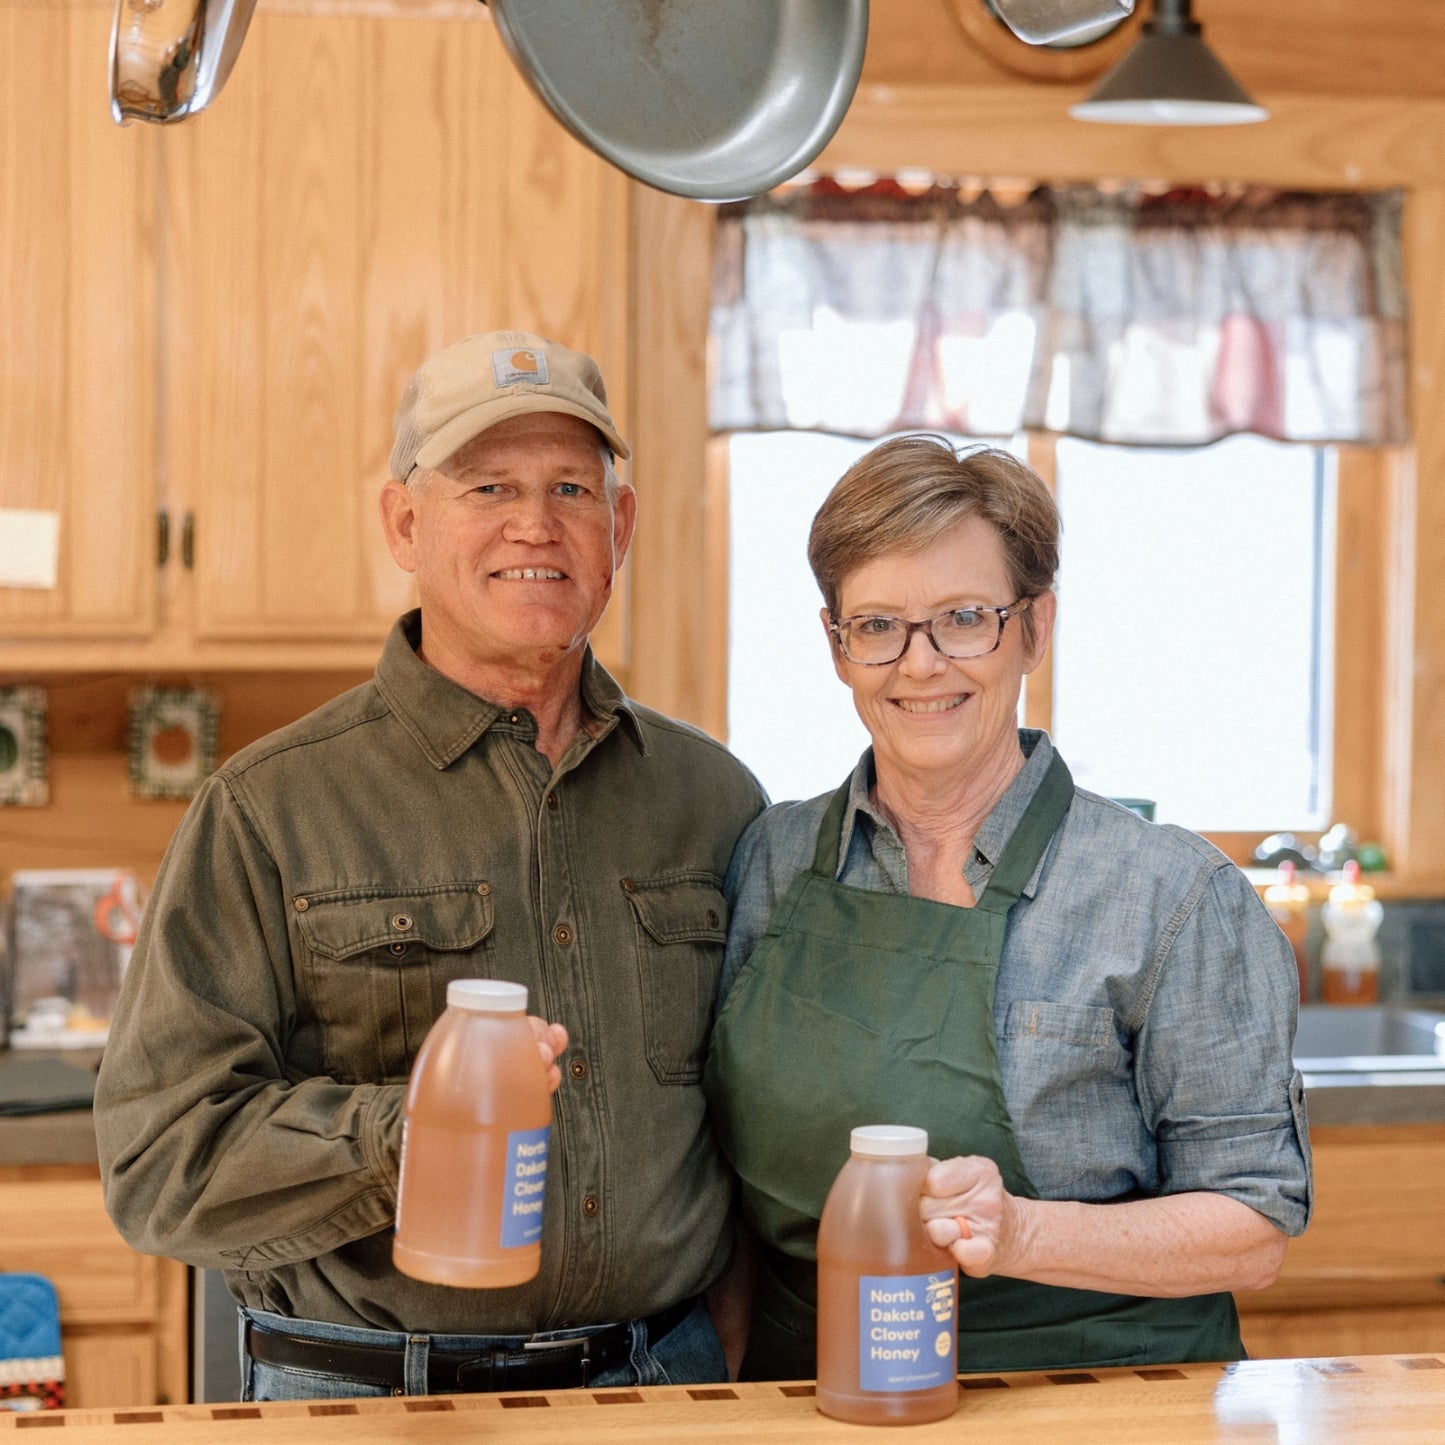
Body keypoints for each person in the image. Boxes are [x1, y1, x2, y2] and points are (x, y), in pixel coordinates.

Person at [94, 330, 767, 1400]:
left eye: (570, 489)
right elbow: (159, 1161)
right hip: (372, 1397)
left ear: (620, 526)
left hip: (663, 1384)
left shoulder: (714, 800)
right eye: (487, 484)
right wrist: (409, 1139)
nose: (534, 524)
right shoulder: (268, 808)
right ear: (405, 522)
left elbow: (749, 1126)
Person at [703, 434, 1312, 1380]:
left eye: (962, 618)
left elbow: (1250, 1226)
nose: (920, 663)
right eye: (877, 625)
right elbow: (727, 1201)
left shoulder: (1168, 894)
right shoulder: (770, 861)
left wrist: (1022, 1232)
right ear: (836, 646)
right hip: (810, 1393)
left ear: (1034, 626)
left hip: (1096, 1394)